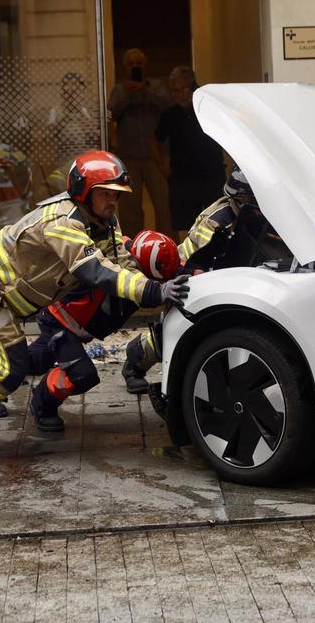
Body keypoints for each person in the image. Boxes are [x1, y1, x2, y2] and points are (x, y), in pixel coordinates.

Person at [0, 150, 190, 455]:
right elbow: (94, 270)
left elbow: (119, 262)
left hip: (1, 294)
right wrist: (153, 292)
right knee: (10, 366)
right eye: (105, 194)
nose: (113, 201)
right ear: (83, 191)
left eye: (116, 195)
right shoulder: (63, 222)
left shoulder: (104, 222)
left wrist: (158, 282)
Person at [121, 164, 265, 394]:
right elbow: (203, 259)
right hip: (189, 276)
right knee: (174, 333)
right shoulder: (216, 222)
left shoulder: (251, 216)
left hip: (227, 274)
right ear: (240, 199)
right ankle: (134, 362)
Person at [155, 66, 225, 240]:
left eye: (185, 89)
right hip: (182, 178)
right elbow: (155, 139)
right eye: (175, 91)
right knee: (184, 223)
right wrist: (162, 163)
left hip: (211, 174)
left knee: (215, 221)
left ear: (193, 86)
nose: (181, 95)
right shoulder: (170, 115)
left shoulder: (208, 108)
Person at [107, 48, 172, 236]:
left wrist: (146, 92)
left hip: (155, 156)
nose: (135, 67)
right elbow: (111, 115)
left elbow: (169, 107)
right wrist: (127, 97)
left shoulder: (156, 86)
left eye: (138, 63)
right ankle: (133, 245)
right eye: (130, 64)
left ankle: (169, 243)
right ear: (124, 67)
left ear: (145, 65)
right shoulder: (119, 90)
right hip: (129, 156)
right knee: (130, 208)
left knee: (165, 205)